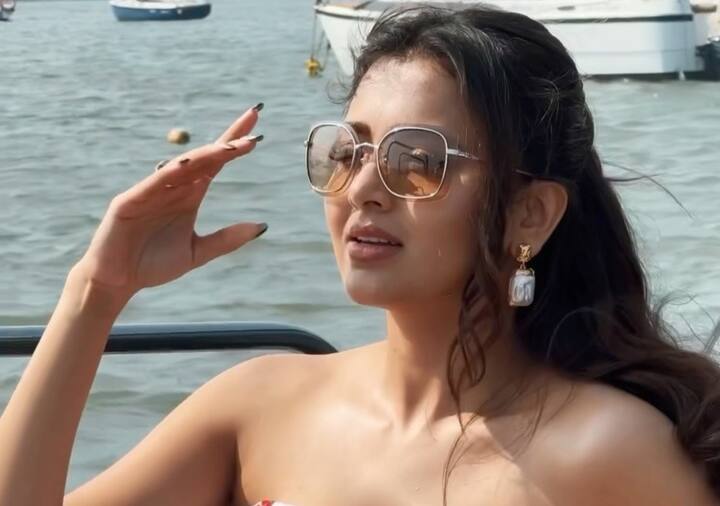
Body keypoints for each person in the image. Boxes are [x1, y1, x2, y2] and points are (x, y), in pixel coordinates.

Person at [1, 5, 719, 506]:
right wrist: (96, 292)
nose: (363, 188)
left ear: (527, 213)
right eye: (346, 151)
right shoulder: (260, 404)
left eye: (417, 160)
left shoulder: (606, 451)